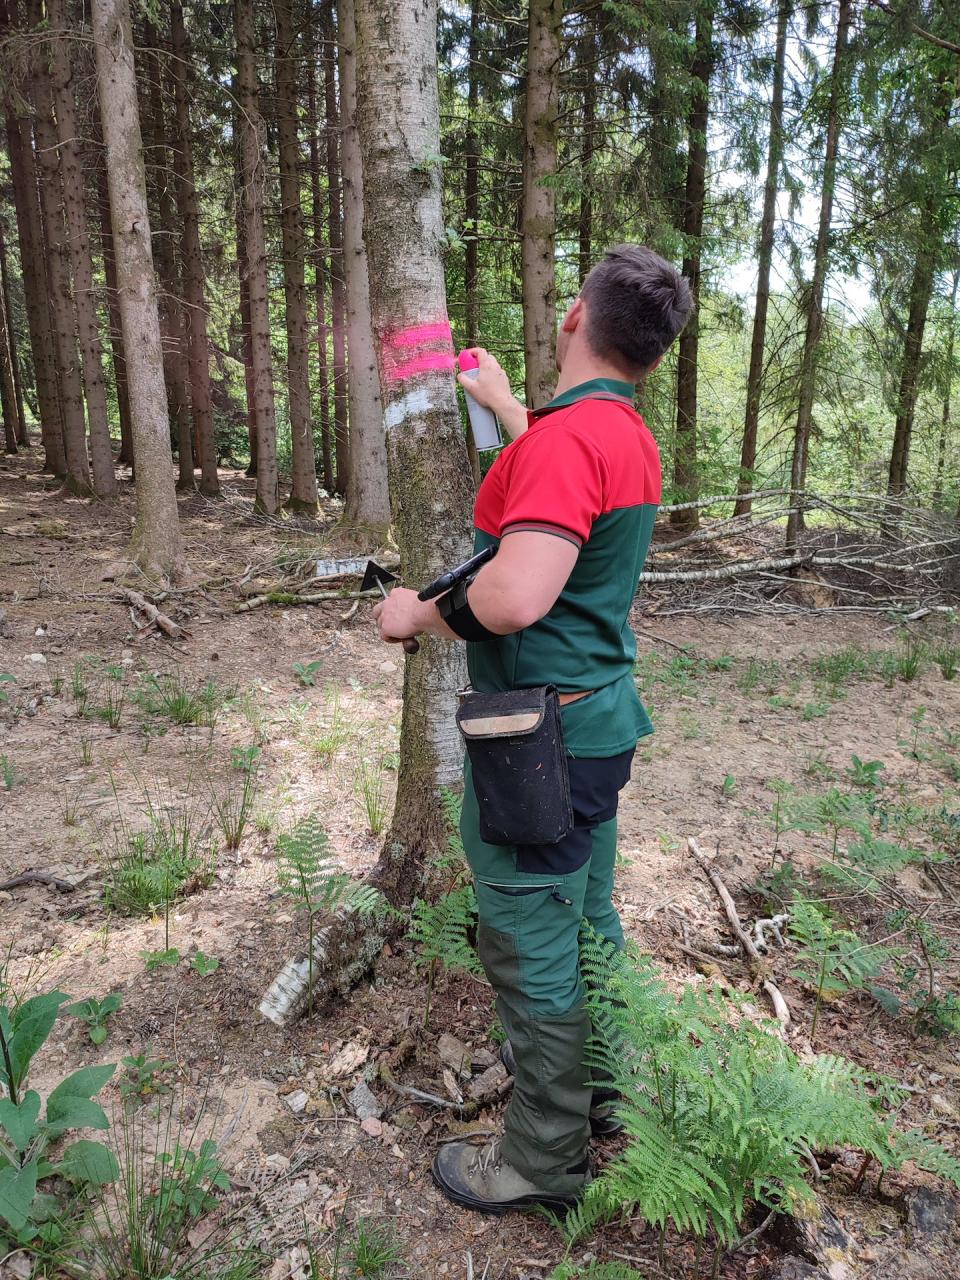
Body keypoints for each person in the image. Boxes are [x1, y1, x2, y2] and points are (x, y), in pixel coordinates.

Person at [373, 244, 693, 1215]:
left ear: (572, 318)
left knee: (528, 933)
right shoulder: (619, 433)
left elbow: (512, 594)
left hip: (538, 742)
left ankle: (546, 1159)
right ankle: (605, 1091)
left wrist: (416, 615)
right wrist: (508, 405)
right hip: (597, 726)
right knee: (586, 917)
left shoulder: (566, 445)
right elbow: (564, 483)